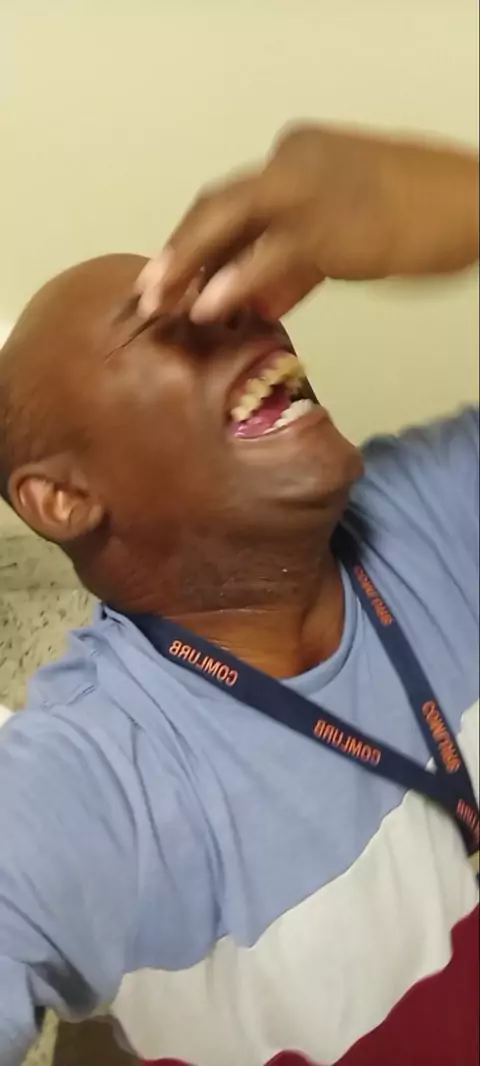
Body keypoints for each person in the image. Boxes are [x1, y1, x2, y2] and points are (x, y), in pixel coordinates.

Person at [0, 123, 478, 1066]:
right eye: (164, 323)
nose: (242, 314)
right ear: (61, 499)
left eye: (220, 292)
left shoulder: (440, 510)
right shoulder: (85, 792)